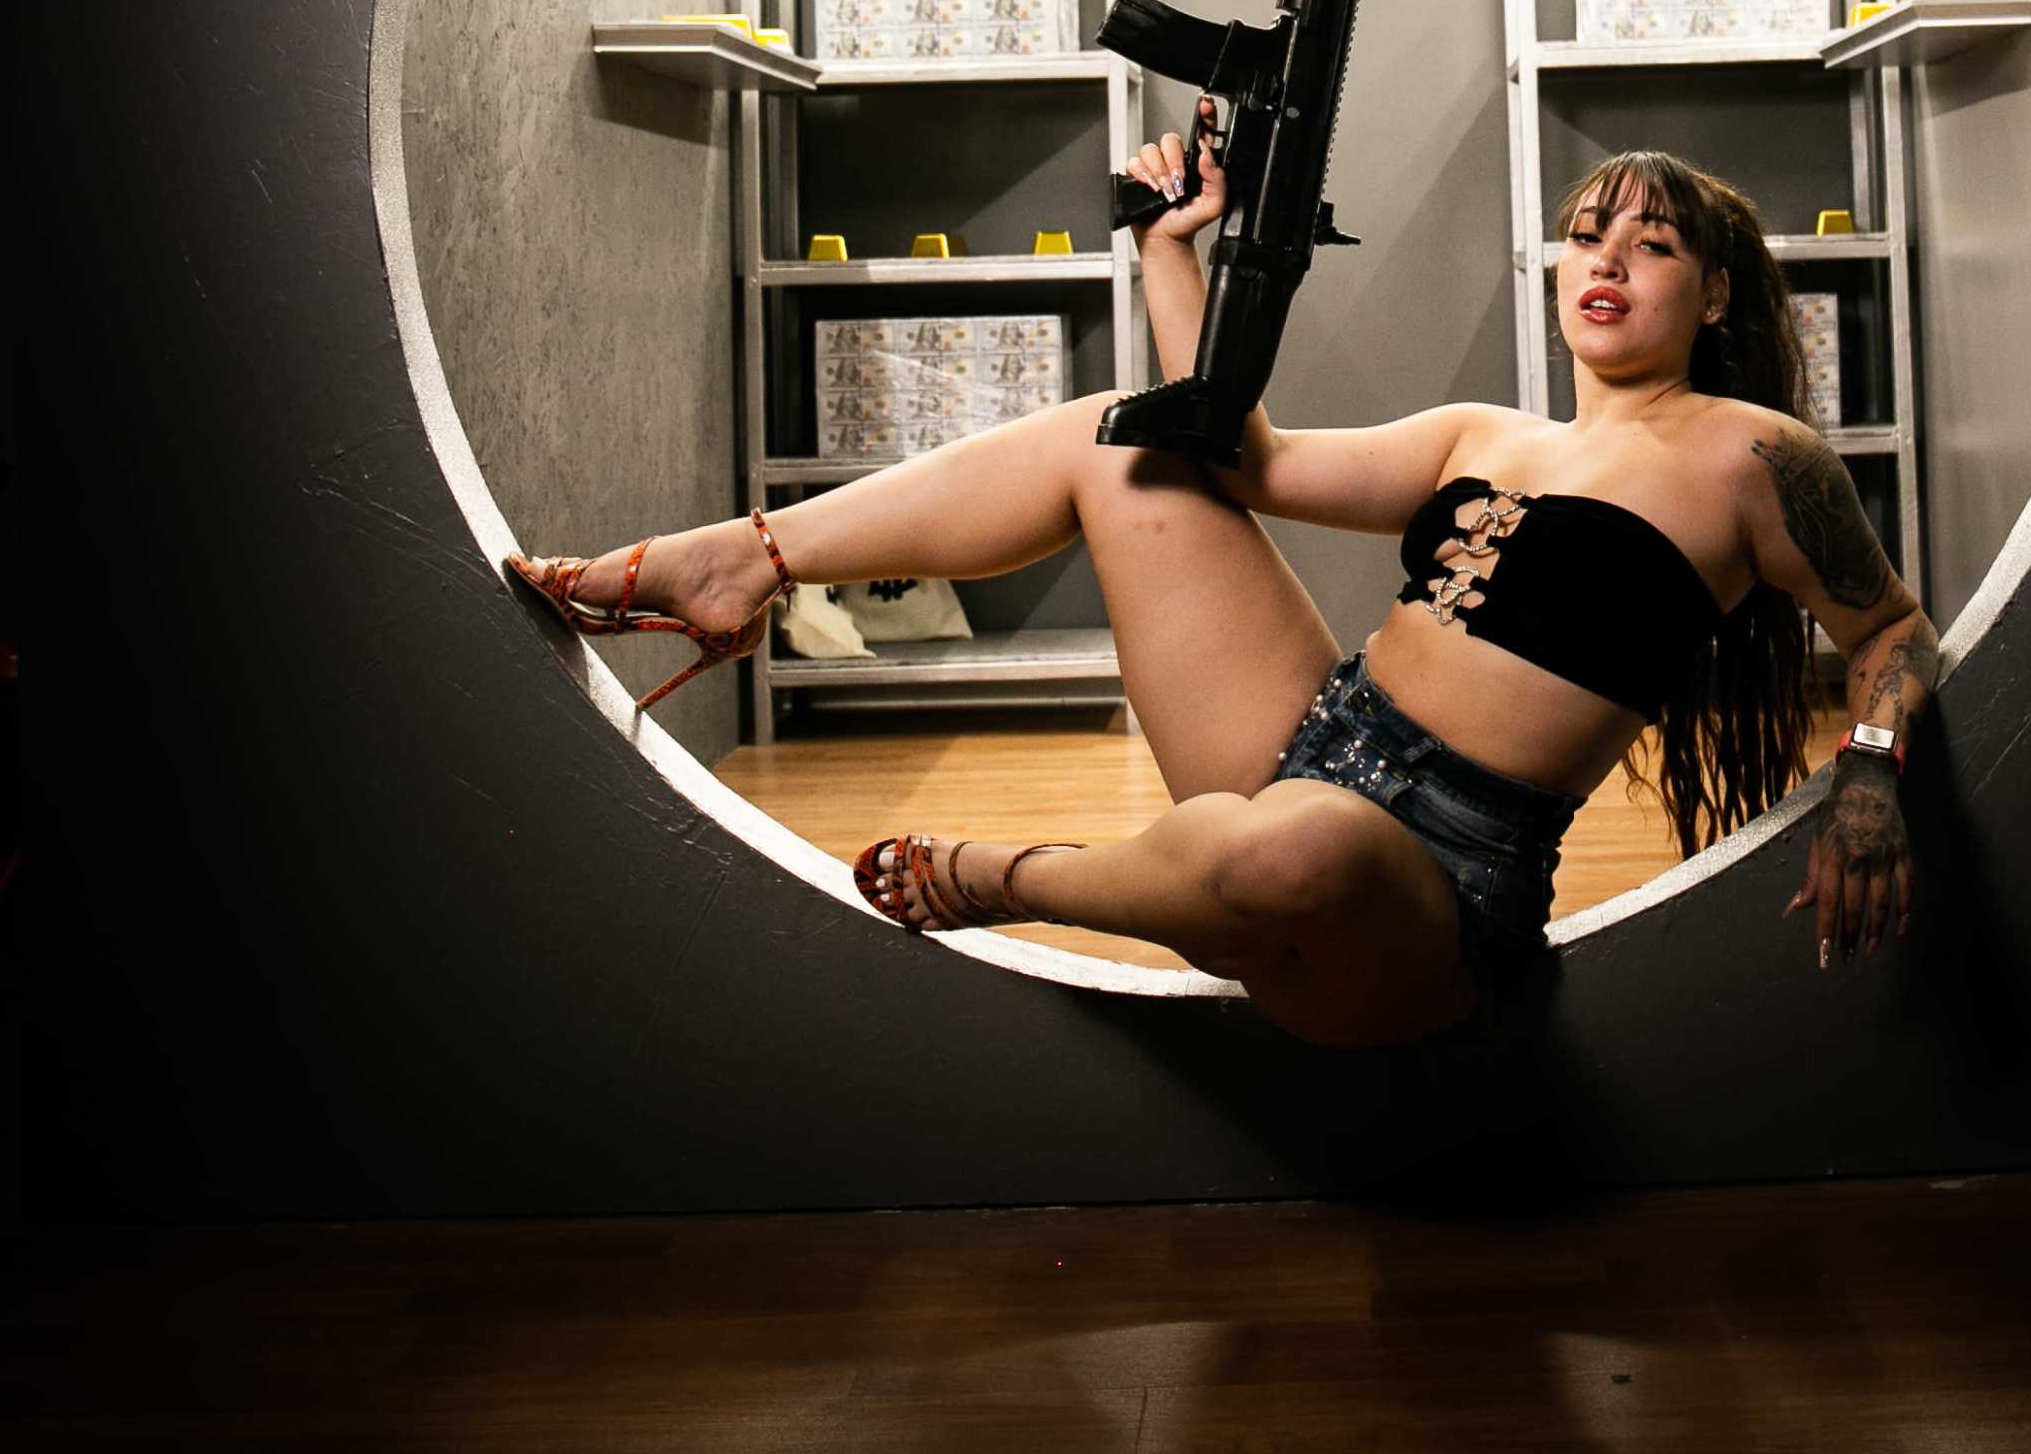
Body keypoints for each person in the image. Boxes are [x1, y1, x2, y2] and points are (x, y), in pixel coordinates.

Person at [506, 125, 1939, 1048]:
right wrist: (1164, 241)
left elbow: (1886, 631)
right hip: (1305, 737)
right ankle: (745, 559)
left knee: (1291, 851)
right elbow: (1234, 455)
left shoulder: (1759, 454)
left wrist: (1870, 772)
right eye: (1587, 233)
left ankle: (1012, 878)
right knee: (1126, 444)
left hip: (1433, 885)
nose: (1607, 258)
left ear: (1718, 295)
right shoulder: (1483, 436)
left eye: (1655, 243)